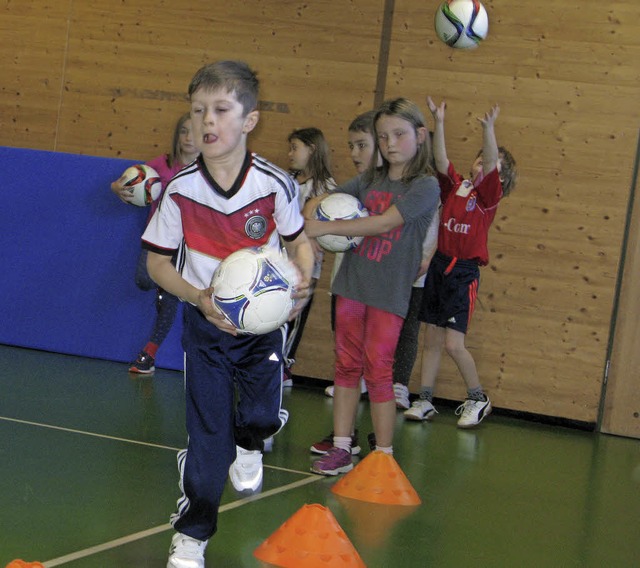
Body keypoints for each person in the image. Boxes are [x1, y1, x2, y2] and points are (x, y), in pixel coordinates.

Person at [141, 60, 314, 568]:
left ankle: (252, 439)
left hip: (261, 333)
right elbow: (156, 262)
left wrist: (302, 279)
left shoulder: (274, 184)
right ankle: (192, 536)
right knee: (207, 441)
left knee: (259, 417)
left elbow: (300, 242)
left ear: (249, 120)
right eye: (198, 112)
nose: (206, 122)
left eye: (220, 110)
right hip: (207, 331)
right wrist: (198, 297)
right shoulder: (180, 192)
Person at [304, 98, 440, 475]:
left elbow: (382, 224)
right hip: (351, 286)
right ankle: (343, 447)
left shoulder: (426, 186)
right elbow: (322, 201)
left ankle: (383, 454)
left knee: (378, 370)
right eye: (383, 137)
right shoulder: (368, 180)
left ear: (421, 135)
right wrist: (313, 212)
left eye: (399, 134)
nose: (390, 143)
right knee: (346, 365)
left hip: (388, 293)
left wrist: (324, 227)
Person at [404, 97, 517, 428]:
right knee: (432, 339)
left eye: (488, 162)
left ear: (498, 176)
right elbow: (441, 160)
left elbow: (493, 161)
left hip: (463, 273)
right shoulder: (456, 187)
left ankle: (478, 397)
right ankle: (424, 399)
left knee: (454, 343)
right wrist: (439, 123)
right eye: (478, 159)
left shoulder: (487, 197)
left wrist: (489, 130)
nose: (481, 163)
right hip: (441, 264)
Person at [111, 112, 198, 374]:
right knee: (144, 280)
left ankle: (149, 354)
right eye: (184, 131)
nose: (188, 137)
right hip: (157, 237)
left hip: (187, 244)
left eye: (194, 132)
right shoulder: (163, 164)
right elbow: (124, 182)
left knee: (170, 293)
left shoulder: (208, 170)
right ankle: (165, 289)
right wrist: (117, 188)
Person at [282, 127, 337, 386]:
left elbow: (327, 227)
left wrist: (312, 235)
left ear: (312, 149)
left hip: (306, 266)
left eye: (295, 147)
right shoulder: (286, 179)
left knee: (295, 314)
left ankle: (285, 365)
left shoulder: (327, 187)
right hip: (279, 258)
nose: (290, 153)